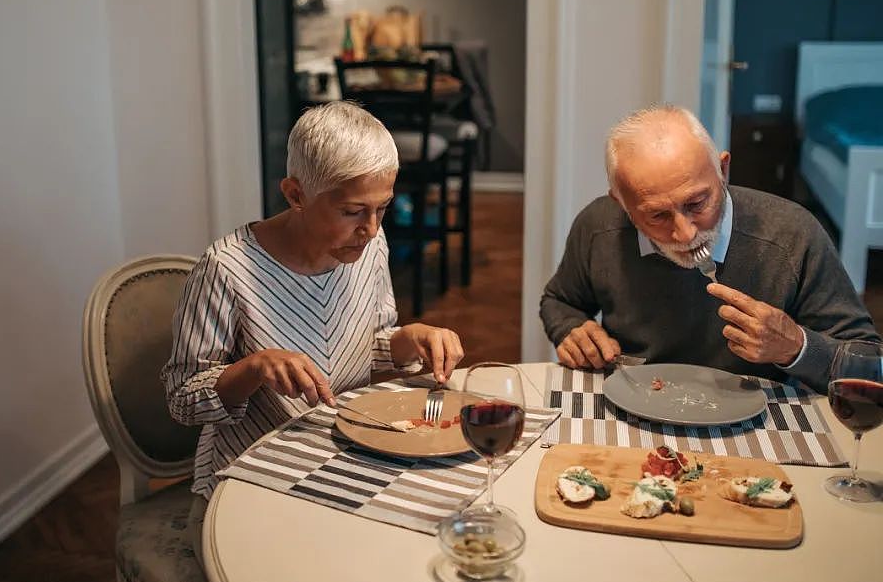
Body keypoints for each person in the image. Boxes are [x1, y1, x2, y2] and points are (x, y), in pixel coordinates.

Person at [163, 101, 465, 562]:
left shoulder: (370, 244)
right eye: (351, 211)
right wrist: (254, 368)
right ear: (295, 193)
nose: (370, 229)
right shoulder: (226, 269)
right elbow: (182, 399)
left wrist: (409, 338)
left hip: (348, 455)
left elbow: (370, 346)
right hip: (249, 477)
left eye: (382, 209)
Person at [540, 105, 879, 393]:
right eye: (657, 215)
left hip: (756, 425)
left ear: (723, 171)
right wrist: (569, 329)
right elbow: (560, 301)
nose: (685, 233)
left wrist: (796, 348)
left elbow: (869, 364)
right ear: (622, 204)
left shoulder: (793, 235)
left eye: (697, 203)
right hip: (631, 405)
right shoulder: (600, 226)